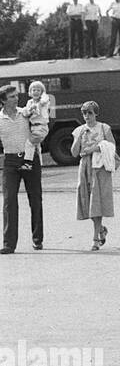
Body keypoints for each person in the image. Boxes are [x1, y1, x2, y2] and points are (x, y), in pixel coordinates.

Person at [0, 85, 44, 253]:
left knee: (35, 199)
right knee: (9, 200)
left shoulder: (25, 113)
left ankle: (37, 239)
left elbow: (41, 125)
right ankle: (8, 244)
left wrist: (39, 136)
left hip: (29, 158)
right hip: (10, 161)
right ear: (3, 100)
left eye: (17, 96)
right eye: (12, 97)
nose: (16, 99)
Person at [71, 101, 116, 250]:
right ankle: (101, 229)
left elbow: (111, 146)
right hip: (85, 167)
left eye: (90, 113)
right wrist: (79, 137)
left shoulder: (104, 128)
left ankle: (95, 238)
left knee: (97, 199)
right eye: (84, 113)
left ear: (96, 113)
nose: (87, 116)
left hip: (100, 166)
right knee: (87, 199)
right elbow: (74, 152)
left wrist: (94, 148)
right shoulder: (79, 130)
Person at [18, 81, 53, 172]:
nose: (36, 92)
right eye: (34, 90)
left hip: (41, 127)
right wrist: (30, 109)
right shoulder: (29, 102)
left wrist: (38, 104)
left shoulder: (44, 101)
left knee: (29, 143)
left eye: (38, 90)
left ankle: (28, 163)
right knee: (37, 147)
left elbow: (44, 100)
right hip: (33, 127)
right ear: (30, 92)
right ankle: (38, 166)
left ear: (42, 92)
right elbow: (25, 113)